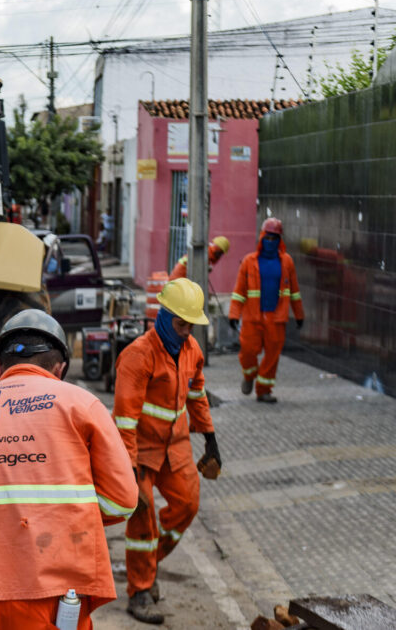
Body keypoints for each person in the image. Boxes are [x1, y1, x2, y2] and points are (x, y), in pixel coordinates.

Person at [0, 309, 137, 630]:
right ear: (60, 368)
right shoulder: (80, 404)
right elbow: (122, 501)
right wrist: (66, 515)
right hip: (54, 590)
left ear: (0, 367)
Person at [113, 278, 220, 624]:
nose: (186, 332)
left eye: (191, 326)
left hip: (176, 445)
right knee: (142, 516)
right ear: (163, 316)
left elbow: (197, 395)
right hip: (141, 450)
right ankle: (140, 591)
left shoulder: (192, 351)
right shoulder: (138, 356)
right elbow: (125, 421)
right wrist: (128, 471)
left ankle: (150, 562)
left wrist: (210, 438)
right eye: (181, 324)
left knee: (188, 504)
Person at [229, 218, 304, 403]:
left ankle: (264, 391)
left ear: (280, 240)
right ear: (262, 237)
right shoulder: (249, 261)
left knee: (272, 356)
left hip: (276, 318)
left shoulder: (287, 262)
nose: (270, 241)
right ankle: (249, 376)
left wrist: (299, 315)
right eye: (267, 237)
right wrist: (234, 314)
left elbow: (294, 291)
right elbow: (239, 292)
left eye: (274, 238)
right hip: (252, 317)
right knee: (248, 352)